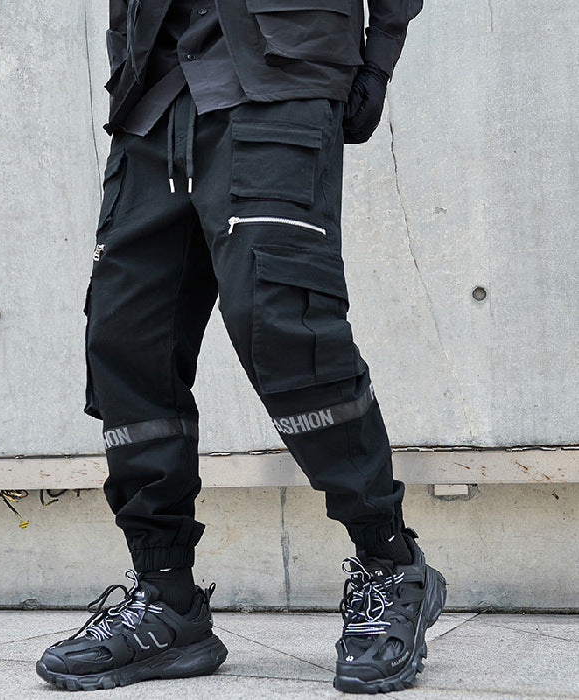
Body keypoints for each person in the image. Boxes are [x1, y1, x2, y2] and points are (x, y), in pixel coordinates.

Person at [36, 0, 446, 693]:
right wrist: (128, 64)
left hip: (280, 77)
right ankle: (167, 601)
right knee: (125, 338)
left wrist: (378, 56)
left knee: (283, 327)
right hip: (158, 93)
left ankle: (390, 564)